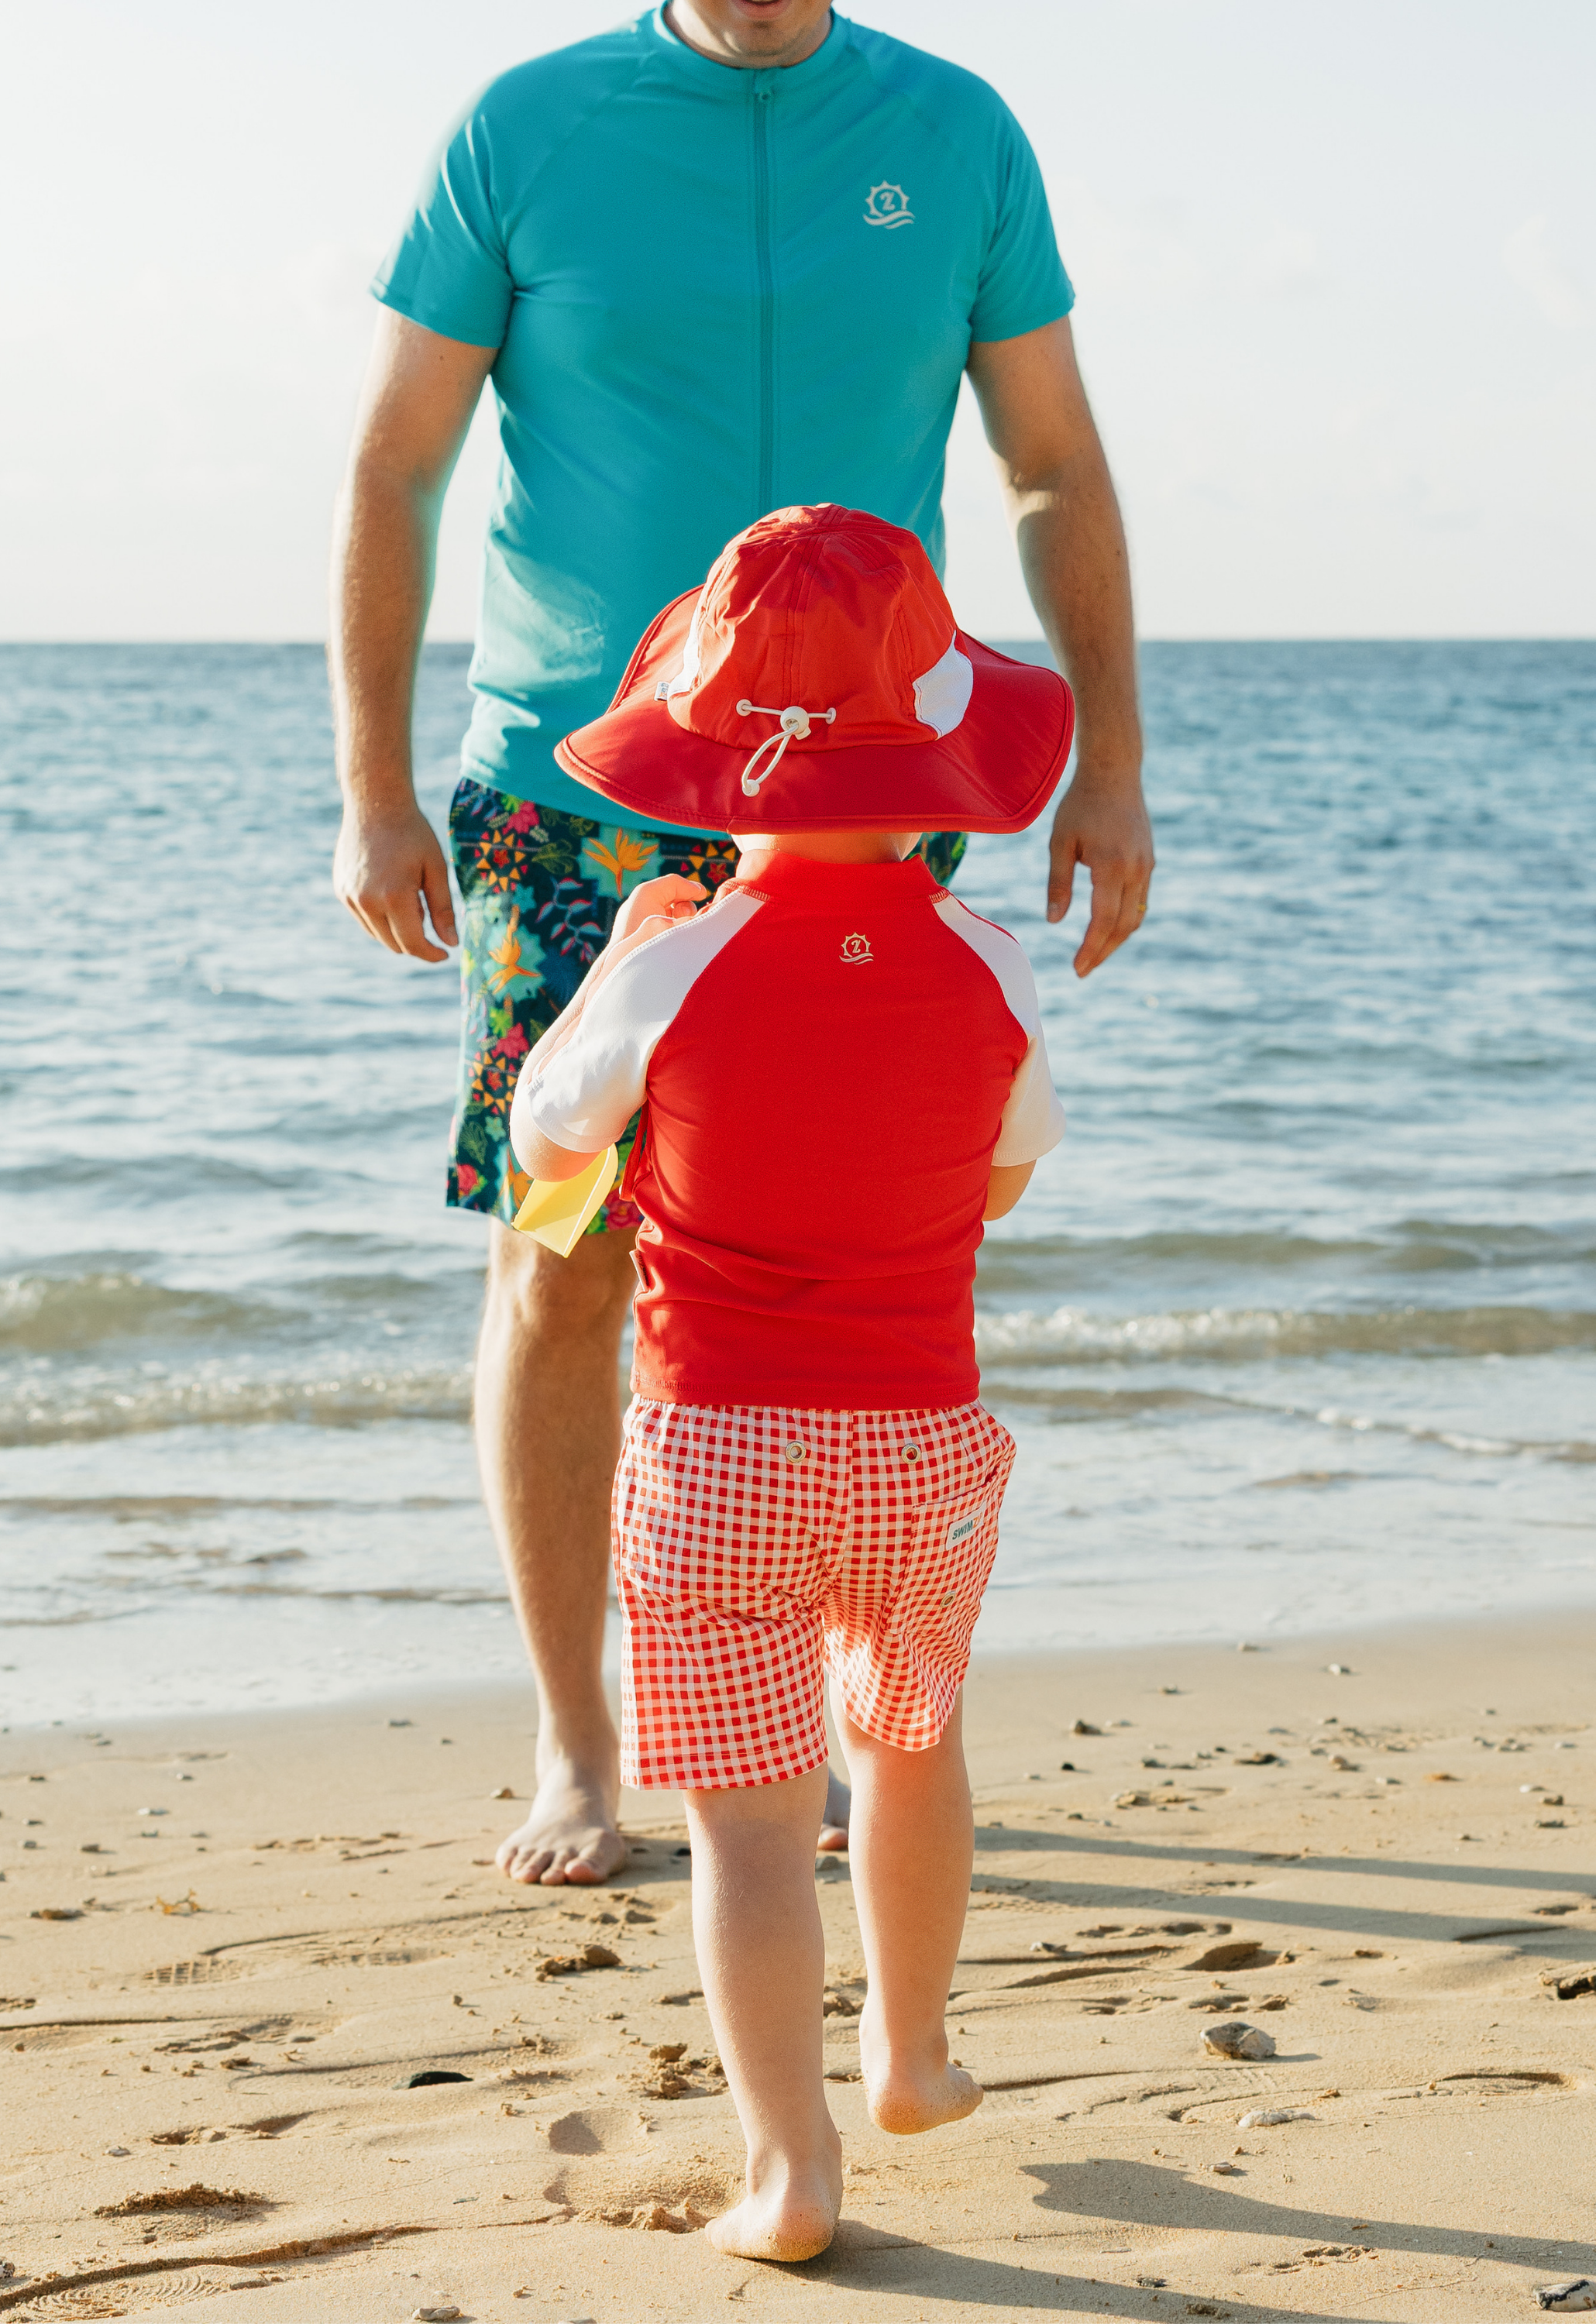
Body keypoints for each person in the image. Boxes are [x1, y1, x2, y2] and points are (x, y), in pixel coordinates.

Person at [328, 0, 1151, 1886]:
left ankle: (870, 1723)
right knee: (564, 1255)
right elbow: (397, 465)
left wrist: (1108, 757)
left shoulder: (954, 133)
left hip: (882, 776)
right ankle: (577, 1742)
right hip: (575, 781)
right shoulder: (523, 127)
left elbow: (1049, 461)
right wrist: (374, 783)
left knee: (868, 1260)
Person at [506, 502, 1068, 2258]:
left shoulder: (673, 960)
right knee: (911, 1749)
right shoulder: (987, 962)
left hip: (717, 1461)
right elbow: (1006, 1167)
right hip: (924, 1446)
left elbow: (547, 1139)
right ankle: (913, 2051)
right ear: (939, 759)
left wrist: (612, 970)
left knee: (750, 1843)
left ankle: (789, 2172)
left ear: (712, 762)